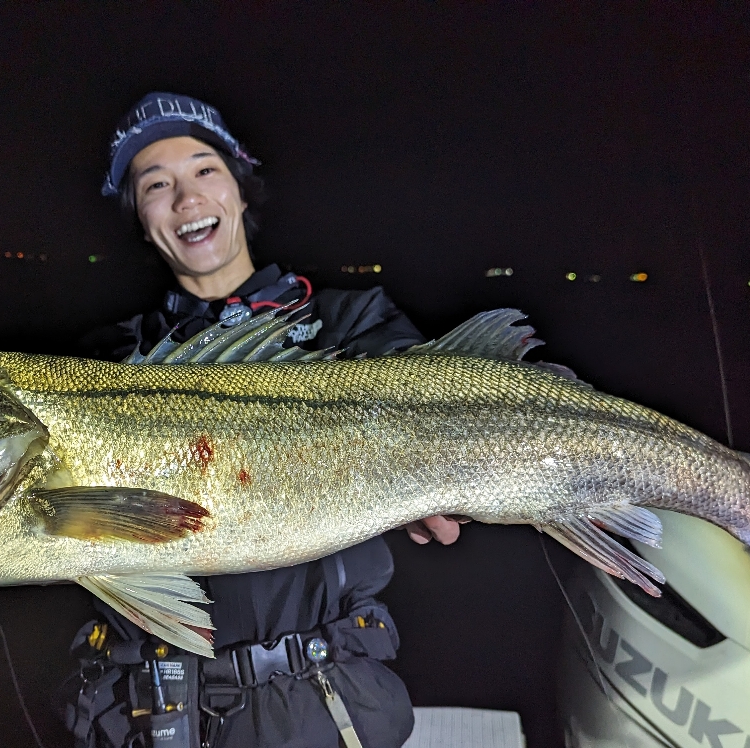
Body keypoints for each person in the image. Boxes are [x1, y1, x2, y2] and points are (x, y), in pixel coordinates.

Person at [56, 93, 464, 748]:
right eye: (155, 185)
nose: (186, 200)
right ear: (141, 218)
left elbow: (438, 408)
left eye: (203, 170)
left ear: (241, 191)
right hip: (152, 715)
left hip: (321, 708)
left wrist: (435, 481)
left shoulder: (351, 326)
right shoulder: (110, 364)